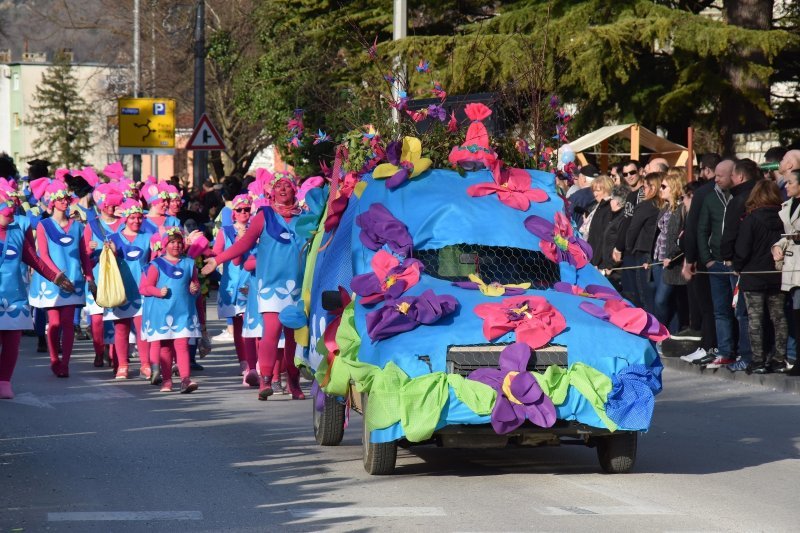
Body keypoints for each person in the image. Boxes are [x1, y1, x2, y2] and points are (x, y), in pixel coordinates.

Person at [202, 172, 318, 401]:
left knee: (294, 337)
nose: (283, 189)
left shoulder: (305, 217)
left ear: (295, 191)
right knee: (271, 333)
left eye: (287, 186)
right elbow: (244, 243)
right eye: (279, 186)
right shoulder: (263, 216)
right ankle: (265, 380)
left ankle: (293, 382)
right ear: (271, 192)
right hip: (271, 285)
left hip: (297, 286)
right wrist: (218, 259)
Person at [0, 190, 74, 398]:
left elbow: (35, 260)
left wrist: (55, 277)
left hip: (14, 297)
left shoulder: (16, 233)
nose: (11, 213)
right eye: (6, 211)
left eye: (12, 211)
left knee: (12, 341)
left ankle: (4, 381)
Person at [28, 179, 93, 378]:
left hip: (73, 281)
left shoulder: (77, 226)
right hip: (52, 281)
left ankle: (65, 363)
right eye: (61, 199)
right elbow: (43, 255)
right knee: (54, 323)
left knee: (67, 323)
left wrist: (89, 276)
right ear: (53, 202)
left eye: (67, 198)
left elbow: (84, 254)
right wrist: (57, 275)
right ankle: (54, 358)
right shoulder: (43, 225)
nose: (65, 202)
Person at [734, 180, 787, 374]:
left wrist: (737, 266)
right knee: (778, 318)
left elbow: (742, 249)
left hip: (753, 275)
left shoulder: (751, 219)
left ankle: (758, 360)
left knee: (755, 319)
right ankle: (779, 358)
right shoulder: (783, 218)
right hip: (777, 274)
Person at [139, 228, 200, 393]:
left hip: (183, 312)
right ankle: (167, 380)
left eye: (179, 242)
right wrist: (158, 292)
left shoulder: (189, 263)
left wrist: (195, 288)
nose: (176, 246)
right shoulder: (156, 264)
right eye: (172, 242)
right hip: (163, 313)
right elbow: (144, 288)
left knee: (182, 345)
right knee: (165, 347)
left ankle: (185, 380)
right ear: (165, 244)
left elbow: (195, 284)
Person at [696, 159, 743, 369]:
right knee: (721, 310)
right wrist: (707, 259)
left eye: (720, 176)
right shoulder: (710, 198)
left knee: (740, 310)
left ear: (733, 174)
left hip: (736, 262)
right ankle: (725, 351)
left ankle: (743, 351)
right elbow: (702, 229)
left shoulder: (741, 195)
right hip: (716, 263)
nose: (716, 179)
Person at [212, 194, 258, 385]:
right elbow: (217, 254)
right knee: (239, 327)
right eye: (239, 210)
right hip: (232, 284)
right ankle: (245, 362)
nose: (243, 213)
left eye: (247, 209)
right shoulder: (225, 231)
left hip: (251, 281)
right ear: (233, 213)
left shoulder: (256, 229)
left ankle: (258, 362)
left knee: (254, 324)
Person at [104, 199, 152, 380]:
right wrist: (110, 252)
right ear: (125, 218)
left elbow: (154, 262)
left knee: (143, 330)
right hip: (121, 290)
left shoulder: (148, 238)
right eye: (132, 217)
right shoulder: (112, 238)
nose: (136, 221)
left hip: (142, 290)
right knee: (121, 329)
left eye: (139, 218)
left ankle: (145, 364)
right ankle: (123, 365)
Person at [83, 183, 124, 368]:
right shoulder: (92, 225)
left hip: (119, 276)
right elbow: (82, 253)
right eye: (110, 204)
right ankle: (99, 351)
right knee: (98, 319)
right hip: (98, 275)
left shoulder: (123, 223)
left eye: (116, 204)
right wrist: (88, 248)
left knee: (116, 318)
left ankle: (115, 353)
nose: (114, 208)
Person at [626, 172, 664, 315]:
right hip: (658, 253)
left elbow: (633, 229)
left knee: (645, 296)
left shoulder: (646, 206)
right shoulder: (664, 206)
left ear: (653, 188)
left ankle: (651, 331)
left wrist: (629, 247)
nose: (643, 191)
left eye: (646, 187)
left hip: (644, 252)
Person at [653, 168, 686, 330]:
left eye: (664, 186)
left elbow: (682, 237)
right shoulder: (665, 207)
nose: (660, 189)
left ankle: (662, 330)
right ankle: (669, 332)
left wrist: (672, 256)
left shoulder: (681, 209)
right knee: (662, 299)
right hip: (658, 258)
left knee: (662, 299)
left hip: (672, 262)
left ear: (674, 188)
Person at [612, 160, 644, 305]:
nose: (629, 176)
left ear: (641, 171)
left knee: (638, 292)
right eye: (625, 174)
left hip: (639, 248)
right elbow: (626, 222)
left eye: (632, 172)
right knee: (629, 291)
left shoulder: (643, 193)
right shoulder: (631, 195)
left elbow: (634, 223)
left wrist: (620, 246)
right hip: (629, 248)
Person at [594, 186, 628, 291]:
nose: (610, 201)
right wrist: (596, 262)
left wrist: (610, 266)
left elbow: (619, 244)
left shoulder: (623, 219)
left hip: (614, 270)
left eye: (612, 199)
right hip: (605, 265)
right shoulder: (612, 215)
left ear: (617, 202)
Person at [583, 175, 614, 246]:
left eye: (598, 190)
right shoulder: (598, 206)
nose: (595, 194)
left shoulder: (610, 207)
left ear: (607, 189)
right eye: (594, 191)